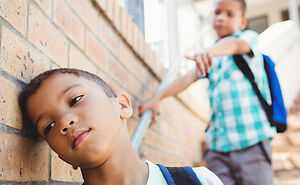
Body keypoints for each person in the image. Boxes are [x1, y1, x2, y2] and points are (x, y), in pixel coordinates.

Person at [139, 0, 275, 184]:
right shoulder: (210, 58)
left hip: (252, 143)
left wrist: (210, 51)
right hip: (219, 149)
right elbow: (185, 79)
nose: (221, 17)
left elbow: (234, 44)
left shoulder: (248, 38)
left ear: (242, 22)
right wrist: (156, 98)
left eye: (229, 14)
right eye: (217, 12)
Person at [18, 68, 223, 185]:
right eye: (49, 126)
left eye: (75, 99)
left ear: (123, 106)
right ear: (60, 156)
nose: (64, 122)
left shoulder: (199, 181)